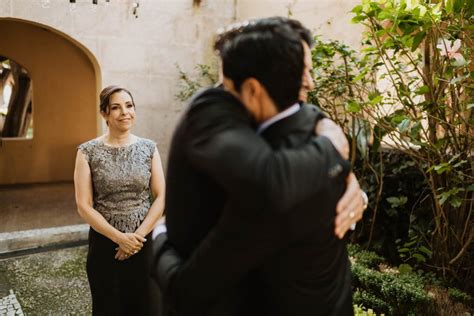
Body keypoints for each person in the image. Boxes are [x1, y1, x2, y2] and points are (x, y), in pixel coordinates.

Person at [153, 17, 365, 316]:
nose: (310, 81)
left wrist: (158, 238)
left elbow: (185, 289)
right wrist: (336, 155)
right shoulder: (307, 143)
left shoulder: (277, 189)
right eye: (305, 70)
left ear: (252, 89)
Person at [74, 85, 165, 315]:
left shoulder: (149, 148)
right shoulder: (87, 152)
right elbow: (83, 205)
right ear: (104, 113)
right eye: (116, 107)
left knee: (148, 307)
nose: (125, 112)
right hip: (106, 246)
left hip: (143, 244)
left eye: (129, 105)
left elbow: (162, 197)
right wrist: (119, 238)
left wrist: (136, 238)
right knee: (109, 308)